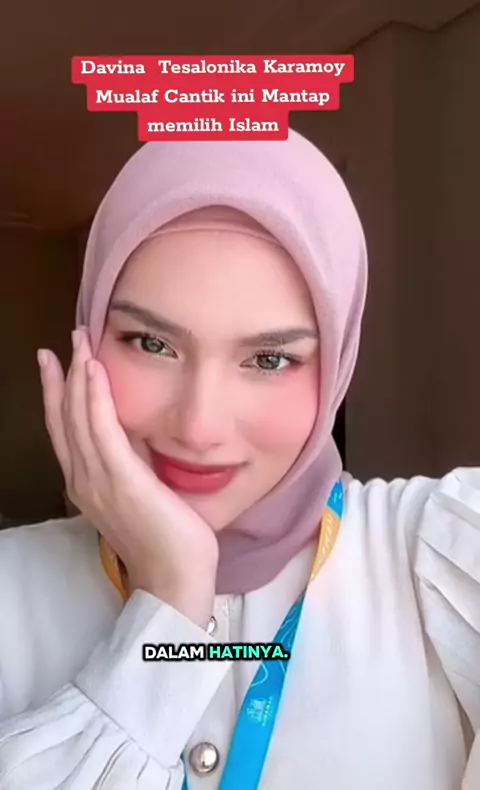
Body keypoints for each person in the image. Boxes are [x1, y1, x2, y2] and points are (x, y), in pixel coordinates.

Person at [0, 129, 478, 790]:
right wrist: (170, 593)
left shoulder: (442, 558)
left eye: (270, 359)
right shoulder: (11, 590)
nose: (199, 427)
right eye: (151, 343)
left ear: (338, 366)